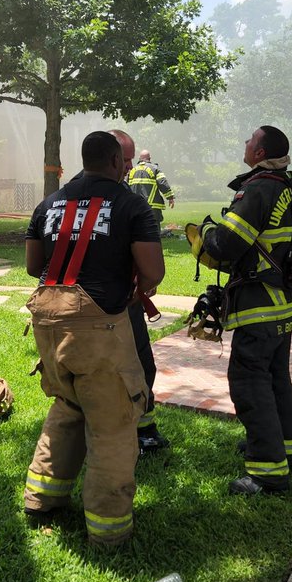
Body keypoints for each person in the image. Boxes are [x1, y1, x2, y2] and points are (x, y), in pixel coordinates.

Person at [23, 131, 165, 546]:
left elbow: (35, 266)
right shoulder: (130, 204)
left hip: (48, 325)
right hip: (99, 331)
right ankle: (109, 530)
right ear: (117, 163)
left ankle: (43, 499)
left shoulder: (48, 203)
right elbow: (153, 274)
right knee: (113, 423)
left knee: (68, 408)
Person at [196, 125, 292, 496]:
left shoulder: (258, 188)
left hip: (259, 307)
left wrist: (203, 239)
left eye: (249, 140)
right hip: (284, 304)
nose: (244, 143)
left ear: (260, 152)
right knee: (276, 381)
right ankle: (282, 450)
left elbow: (227, 244)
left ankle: (268, 472)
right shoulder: (289, 186)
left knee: (249, 385)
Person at [109, 128, 169, 454]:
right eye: (126, 159)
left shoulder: (62, 200)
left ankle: (137, 428)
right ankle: (140, 434)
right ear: (112, 157)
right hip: (121, 303)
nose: (131, 167)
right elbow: (153, 272)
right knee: (139, 366)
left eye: (133, 158)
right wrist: (142, 288)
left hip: (82, 304)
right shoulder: (129, 204)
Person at [127, 149, 176, 214]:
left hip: (135, 206)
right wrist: (170, 197)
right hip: (152, 207)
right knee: (153, 224)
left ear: (139, 158)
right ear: (149, 158)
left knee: (137, 224)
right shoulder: (155, 169)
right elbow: (162, 182)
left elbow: (126, 187)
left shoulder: (132, 170)